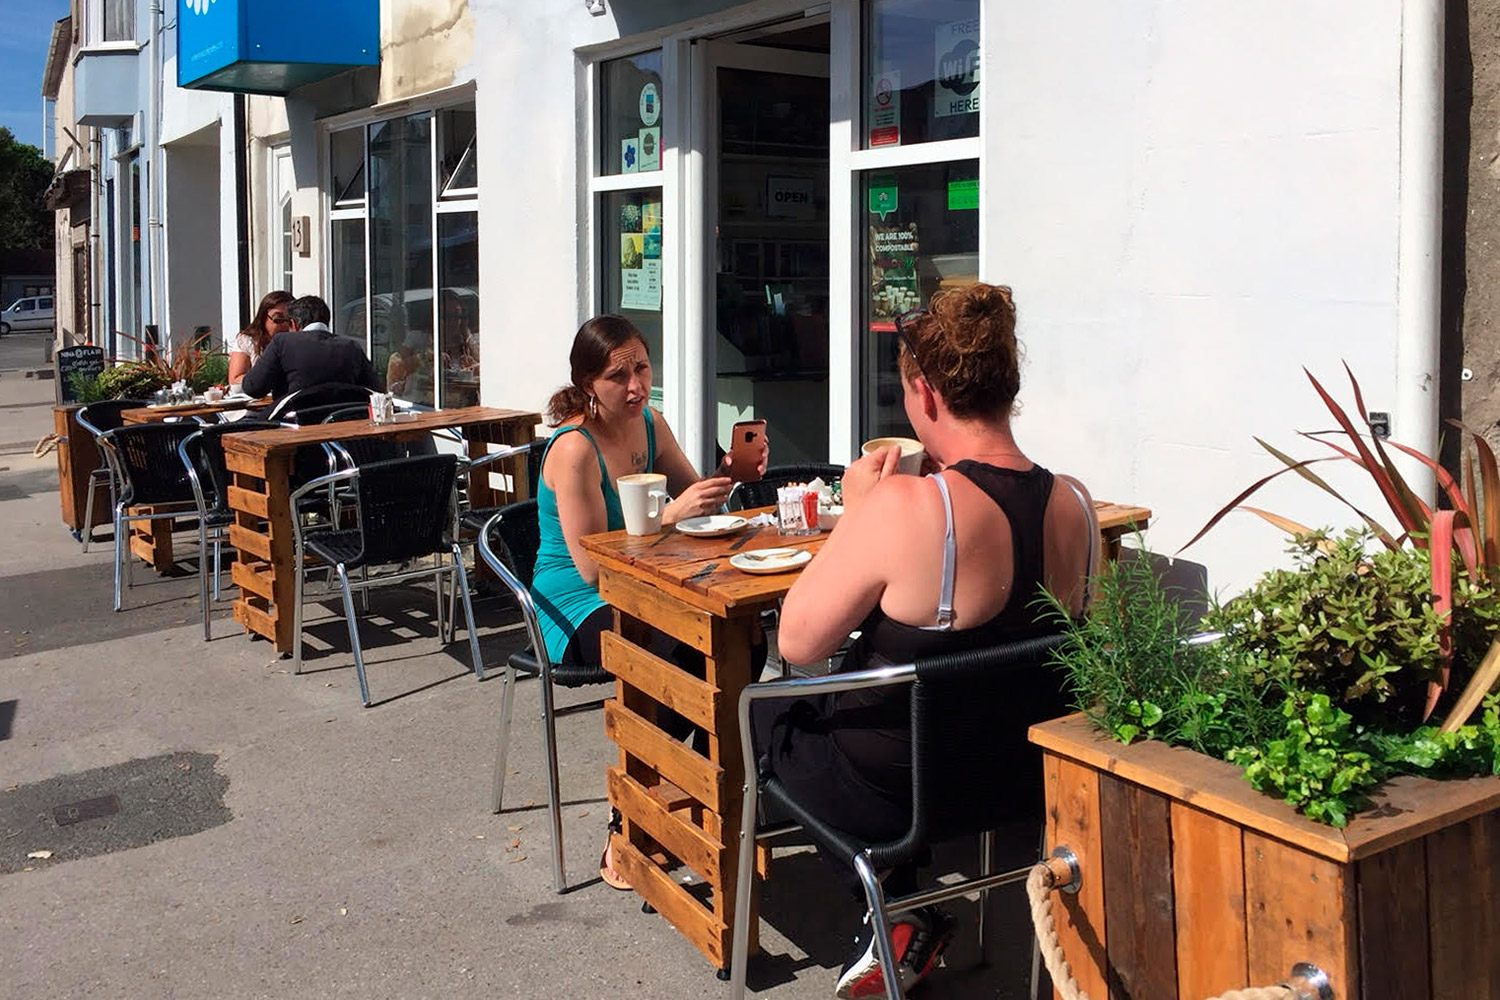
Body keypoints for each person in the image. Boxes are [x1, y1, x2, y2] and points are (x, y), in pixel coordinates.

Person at [765, 283, 1097, 999]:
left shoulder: (910, 506)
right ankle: (901, 910)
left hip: (898, 793)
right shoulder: (1075, 503)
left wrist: (858, 515)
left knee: (773, 716)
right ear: (1009, 386)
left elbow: (798, 642)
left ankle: (891, 898)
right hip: (1018, 778)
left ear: (925, 394)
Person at [531, 314, 767, 889]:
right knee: (672, 651)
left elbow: (697, 501)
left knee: (746, 641)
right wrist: (671, 515)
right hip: (573, 602)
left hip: (645, 582)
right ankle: (629, 818)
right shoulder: (573, 449)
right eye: (619, 375)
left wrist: (727, 477)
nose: (636, 385)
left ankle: (685, 787)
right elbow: (590, 565)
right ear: (589, 384)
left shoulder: (650, 423)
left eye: (642, 367)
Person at [241, 295, 383, 402]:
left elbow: (253, 388)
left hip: (292, 425)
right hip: (339, 424)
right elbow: (376, 390)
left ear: (293, 324)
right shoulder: (351, 346)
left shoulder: (282, 342)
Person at [228, 290, 293, 384]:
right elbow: (235, 379)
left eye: (289, 319)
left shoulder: (298, 341)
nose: (285, 324)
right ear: (263, 317)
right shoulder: (248, 341)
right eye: (278, 319)